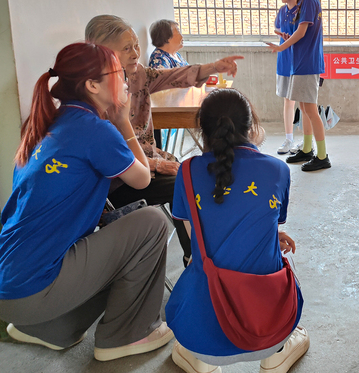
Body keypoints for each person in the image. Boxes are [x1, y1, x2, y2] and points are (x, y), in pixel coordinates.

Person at [0, 42, 174, 361]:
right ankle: (126, 336)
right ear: (92, 85)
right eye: (118, 72)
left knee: (110, 241)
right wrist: (122, 121)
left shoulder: (46, 123)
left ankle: (52, 329)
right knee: (152, 223)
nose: (125, 80)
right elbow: (142, 179)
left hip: (9, 282)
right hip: (33, 289)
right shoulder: (95, 129)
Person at [166, 88, 309, 373]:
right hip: (269, 334)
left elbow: (197, 237)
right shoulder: (278, 170)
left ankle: (200, 361)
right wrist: (268, 237)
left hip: (201, 342)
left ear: (203, 129)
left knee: (197, 264)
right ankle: (277, 355)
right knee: (284, 261)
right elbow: (268, 219)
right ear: (251, 126)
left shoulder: (187, 171)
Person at [85, 14, 243, 266]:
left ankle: (205, 252)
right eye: (127, 49)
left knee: (191, 176)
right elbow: (112, 157)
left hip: (145, 164)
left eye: (136, 46)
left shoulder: (136, 75)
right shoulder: (96, 96)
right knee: (185, 184)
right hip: (118, 181)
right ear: (101, 52)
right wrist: (157, 164)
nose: (136, 53)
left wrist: (214, 67)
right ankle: (197, 261)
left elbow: (172, 76)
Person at [267, 0, 330, 171]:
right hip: (301, 63)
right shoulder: (304, 1)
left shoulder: (310, 0)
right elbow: (299, 32)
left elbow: (302, 32)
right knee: (304, 108)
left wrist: (281, 47)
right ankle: (307, 149)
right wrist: (287, 37)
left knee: (310, 109)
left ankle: (322, 156)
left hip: (307, 63)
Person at [270, 0, 300, 155]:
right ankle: (289, 138)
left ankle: (307, 141)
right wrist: (282, 34)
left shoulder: (302, 10)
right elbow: (277, 27)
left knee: (304, 102)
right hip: (284, 60)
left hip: (300, 61)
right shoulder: (282, 11)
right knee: (288, 101)